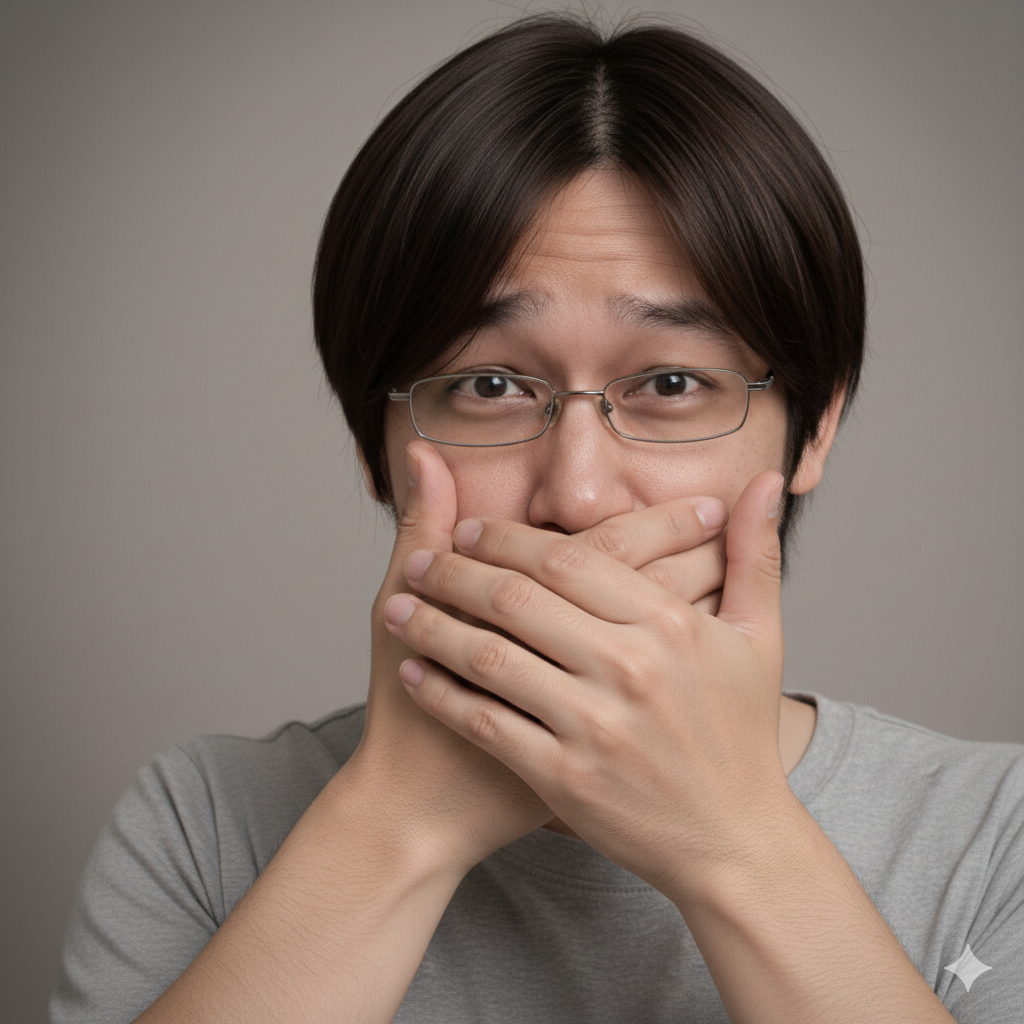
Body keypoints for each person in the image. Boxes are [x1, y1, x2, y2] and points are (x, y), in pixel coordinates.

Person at [51, 15, 1022, 1024]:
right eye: (488, 386)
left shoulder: (998, 837)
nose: (579, 495)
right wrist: (398, 824)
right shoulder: (204, 825)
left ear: (813, 428)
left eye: (671, 383)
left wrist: (733, 839)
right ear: (372, 447)